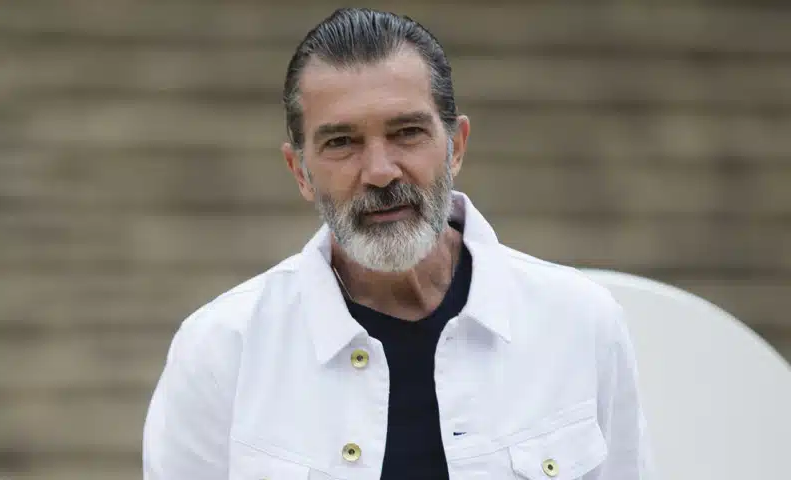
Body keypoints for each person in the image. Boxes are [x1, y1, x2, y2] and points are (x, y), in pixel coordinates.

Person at [143, 7, 650, 480]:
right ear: (300, 172)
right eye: (341, 142)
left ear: (456, 148)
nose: (380, 171)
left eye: (407, 132)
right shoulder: (220, 351)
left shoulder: (580, 323)